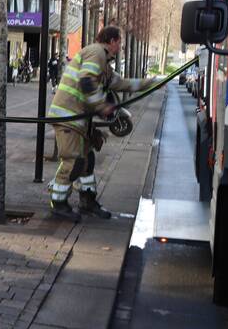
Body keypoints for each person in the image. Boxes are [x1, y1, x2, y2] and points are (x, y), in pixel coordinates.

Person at [47, 26, 159, 221]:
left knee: (87, 161)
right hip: (68, 117)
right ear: (113, 40)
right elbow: (87, 81)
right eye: (120, 42)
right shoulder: (97, 53)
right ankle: (58, 204)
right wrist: (102, 106)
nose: (120, 47)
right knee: (73, 161)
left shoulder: (104, 64)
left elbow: (122, 83)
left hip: (78, 119)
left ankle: (87, 202)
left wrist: (152, 83)